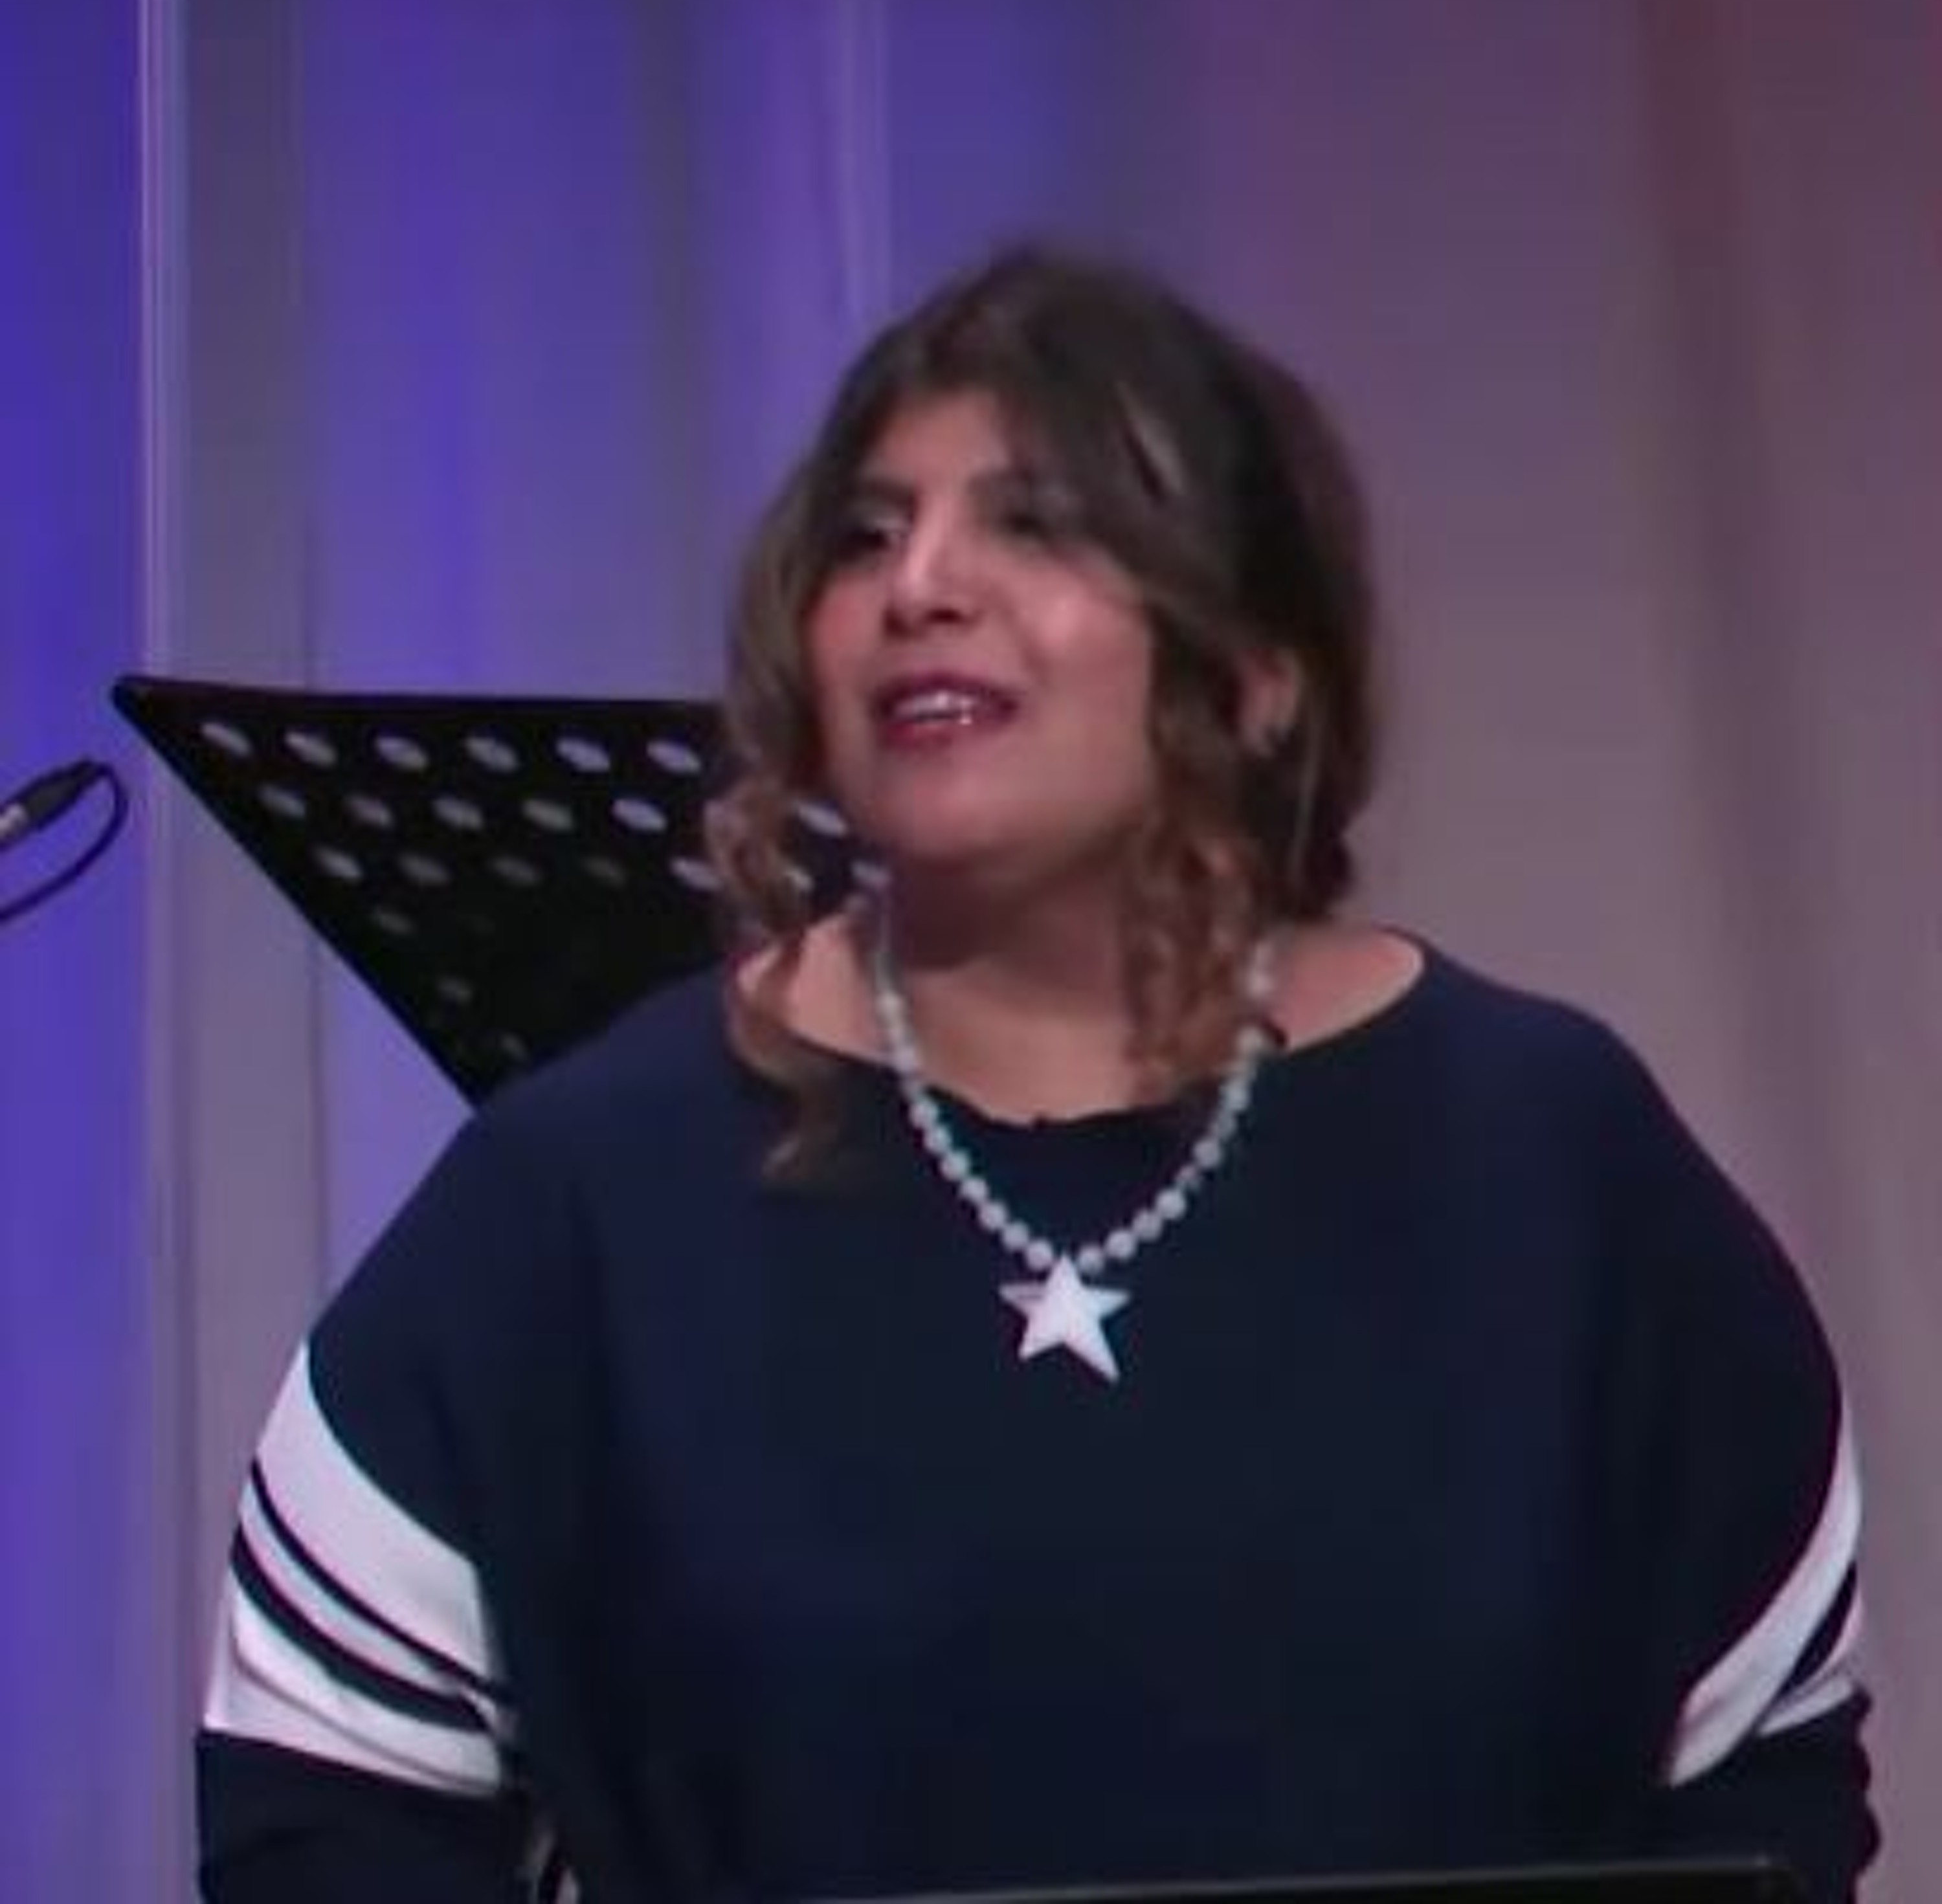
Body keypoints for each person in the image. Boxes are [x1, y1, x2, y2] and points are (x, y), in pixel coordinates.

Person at [195, 246, 1876, 1904]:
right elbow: (325, 1798)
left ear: (1260, 668)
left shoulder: (1543, 1158)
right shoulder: (583, 1185)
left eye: (1035, 524)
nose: (920, 587)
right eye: (867, 536)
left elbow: (1766, 1764)